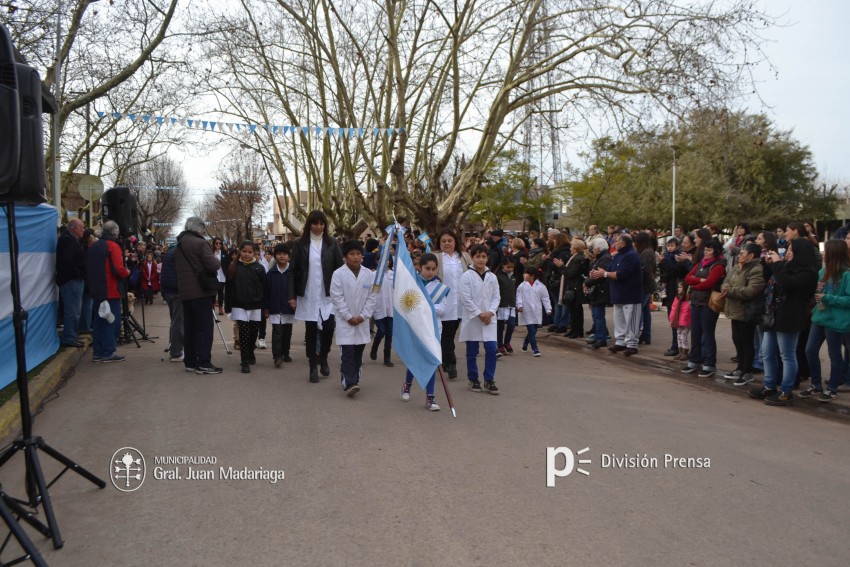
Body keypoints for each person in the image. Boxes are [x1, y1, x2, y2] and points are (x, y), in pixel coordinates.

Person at [748, 238, 819, 406]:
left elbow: (787, 283)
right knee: (767, 352)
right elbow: (772, 282)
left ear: (801, 252)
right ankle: (769, 386)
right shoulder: (785, 266)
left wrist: (778, 264)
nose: (788, 252)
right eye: (788, 249)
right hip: (774, 315)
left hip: (790, 317)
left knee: (787, 355)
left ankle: (786, 391)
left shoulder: (808, 272)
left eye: (792, 249)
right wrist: (768, 265)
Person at [291, 210, 344, 383]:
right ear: (309, 224)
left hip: (328, 295)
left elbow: (339, 269)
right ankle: (312, 365)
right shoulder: (299, 243)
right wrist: (292, 295)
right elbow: (293, 270)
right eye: (315, 223)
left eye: (321, 223)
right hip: (308, 294)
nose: (318, 227)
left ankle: (324, 357)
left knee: (329, 329)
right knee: (311, 331)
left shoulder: (332, 243)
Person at [801, 239, 850, 402]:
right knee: (810, 350)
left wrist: (827, 298)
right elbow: (818, 292)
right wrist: (816, 294)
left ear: (833, 253)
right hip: (819, 317)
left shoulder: (847, 274)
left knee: (834, 354)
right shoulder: (823, 271)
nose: (823, 254)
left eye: (826, 251)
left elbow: (848, 299)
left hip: (836, 321)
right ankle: (816, 385)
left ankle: (832, 388)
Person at [175, 217, 222, 375]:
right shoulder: (200, 243)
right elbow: (213, 265)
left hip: (185, 293)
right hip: (201, 291)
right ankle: (204, 363)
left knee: (190, 328)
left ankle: (190, 362)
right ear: (199, 228)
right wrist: (215, 259)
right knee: (204, 328)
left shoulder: (179, 244)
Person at [330, 240, 378, 397]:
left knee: (358, 353)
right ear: (345, 257)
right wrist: (348, 316)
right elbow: (336, 297)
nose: (356, 257)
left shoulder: (369, 274)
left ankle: (354, 379)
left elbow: (373, 296)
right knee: (347, 353)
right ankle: (350, 383)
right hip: (345, 321)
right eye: (351, 254)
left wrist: (363, 316)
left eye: (358, 254)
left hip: (362, 321)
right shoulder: (338, 274)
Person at [400, 253, 443, 410]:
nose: (430, 272)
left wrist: (426, 308)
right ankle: (407, 384)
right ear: (420, 267)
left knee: (431, 362)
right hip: (415, 328)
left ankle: (430, 398)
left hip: (433, 330)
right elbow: (407, 304)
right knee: (415, 359)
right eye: (427, 268)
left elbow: (442, 309)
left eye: (433, 269)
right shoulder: (412, 283)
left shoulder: (439, 287)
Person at [720, 243, 765, 386]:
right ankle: (740, 368)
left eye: (742, 253)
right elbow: (725, 282)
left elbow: (751, 291)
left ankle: (747, 371)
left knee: (747, 342)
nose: (739, 255)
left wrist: (730, 291)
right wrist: (727, 288)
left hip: (747, 311)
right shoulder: (736, 267)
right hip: (734, 309)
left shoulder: (756, 270)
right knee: (737, 339)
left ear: (751, 256)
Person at [590, 234, 642, 356]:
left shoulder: (631, 255)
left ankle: (632, 344)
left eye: (616, 241)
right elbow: (609, 269)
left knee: (631, 321)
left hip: (630, 295)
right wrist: (599, 273)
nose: (614, 244)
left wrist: (604, 274)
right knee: (619, 320)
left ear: (623, 243)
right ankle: (620, 341)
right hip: (618, 294)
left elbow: (621, 274)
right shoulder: (618, 256)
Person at [85, 220, 130, 363]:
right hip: (110, 289)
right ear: (115, 232)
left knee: (98, 321)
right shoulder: (113, 246)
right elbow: (118, 269)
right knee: (111, 321)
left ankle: (97, 352)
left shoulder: (94, 246)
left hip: (96, 289)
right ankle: (108, 352)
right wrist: (127, 272)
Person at [682, 240, 726, 378]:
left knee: (707, 334)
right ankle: (694, 360)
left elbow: (709, 283)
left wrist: (695, 284)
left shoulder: (718, 265)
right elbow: (687, 278)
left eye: (709, 250)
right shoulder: (701, 262)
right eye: (705, 250)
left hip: (708, 304)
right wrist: (698, 280)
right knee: (695, 333)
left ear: (716, 251)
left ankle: (709, 363)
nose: (705, 252)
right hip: (696, 301)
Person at [460, 244, 501, 394]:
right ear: (472, 257)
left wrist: (490, 312)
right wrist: (479, 313)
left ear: (487, 258)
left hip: (489, 318)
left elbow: (496, 297)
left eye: (484, 256)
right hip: (473, 318)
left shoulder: (492, 277)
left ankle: (489, 379)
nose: (481, 260)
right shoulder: (466, 276)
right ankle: (473, 379)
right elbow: (465, 298)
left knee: (491, 349)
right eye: (478, 256)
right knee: (472, 351)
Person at [226, 241, 268, 374]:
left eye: (250, 252)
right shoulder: (233, 267)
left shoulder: (259, 268)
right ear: (240, 251)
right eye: (244, 251)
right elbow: (228, 288)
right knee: (243, 333)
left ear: (255, 253)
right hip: (239, 305)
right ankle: (244, 361)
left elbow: (265, 288)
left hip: (255, 305)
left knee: (253, 333)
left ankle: (250, 352)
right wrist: (228, 306)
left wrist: (265, 307)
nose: (247, 254)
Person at [435, 229, 471, 379]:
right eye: (443, 241)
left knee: (450, 332)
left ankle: (445, 360)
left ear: (455, 241)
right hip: (444, 301)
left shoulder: (464, 257)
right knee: (446, 333)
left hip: (461, 301)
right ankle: (451, 363)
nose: (447, 243)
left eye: (450, 240)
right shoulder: (436, 257)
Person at [56, 218, 87, 347]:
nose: (84, 230)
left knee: (75, 310)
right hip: (71, 280)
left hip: (73, 279)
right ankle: (69, 337)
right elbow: (67, 260)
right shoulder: (68, 239)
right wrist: (78, 274)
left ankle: (72, 335)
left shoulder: (70, 238)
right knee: (73, 311)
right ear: (74, 228)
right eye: (82, 228)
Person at [266, 243, 296, 367]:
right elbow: (267, 292)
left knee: (287, 332)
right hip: (275, 307)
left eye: (284, 254)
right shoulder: (271, 273)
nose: (282, 256)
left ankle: (285, 353)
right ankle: (277, 356)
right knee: (277, 332)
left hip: (289, 307)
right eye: (279, 254)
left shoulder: (292, 272)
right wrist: (266, 308)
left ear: (289, 256)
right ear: (275, 256)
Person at [516, 266, 552, 356]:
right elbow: (518, 296)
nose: (524, 275)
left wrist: (548, 308)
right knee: (531, 330)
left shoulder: (541, 286)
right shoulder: (522, 286)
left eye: (526, 273)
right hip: (526, 311)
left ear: (532, 276)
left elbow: (545, 298)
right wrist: (519, 305)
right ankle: (535, 349)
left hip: (536, 311)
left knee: (534, 330)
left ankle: (525, 343)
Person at [584, 238, 612, 349]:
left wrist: (587, 282)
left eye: (594, 248)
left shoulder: (605, 259)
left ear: (599, 249)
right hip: (598, 290)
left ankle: (601, 338)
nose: (592, 250)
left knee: (598, 315)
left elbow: (598, 276)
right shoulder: (601, 258)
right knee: (596, 315)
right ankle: (598, 335)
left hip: (601, 290)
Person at [159, 247, 184, 362]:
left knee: (175, 321)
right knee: (178, 322)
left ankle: (175, 348)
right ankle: (176, 352)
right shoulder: (179, 253)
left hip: (169, 291)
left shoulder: (169, 252)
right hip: (177, 291)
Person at [370, 255, 394, 367]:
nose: (385, 262)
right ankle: (374, 348)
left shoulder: (393, 274)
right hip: (379, 307)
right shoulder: (374, 275)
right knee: (381, 331)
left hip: (391, 309)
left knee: (389, 333)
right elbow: (371, 291)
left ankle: (387, 357)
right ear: (377, 261)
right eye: (381, 259)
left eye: (387, 260)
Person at [635, 232, 658, 345]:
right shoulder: (649, 251)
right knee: (645, 311)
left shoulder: (646, 253)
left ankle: (640, 334)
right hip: (648, 285)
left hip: (645, 286)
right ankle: (646, 335)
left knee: (639, 311)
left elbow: (644, 270)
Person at [495, 257, 519, 356]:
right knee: (500, 326)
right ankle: (499, 345)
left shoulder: (514, 276)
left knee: (511, 325)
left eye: (512, 267)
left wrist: (518, 303)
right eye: (508, 267)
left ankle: (507, 342)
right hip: (501, 305)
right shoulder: (498, 276)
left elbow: (516, 290)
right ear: (503, 266)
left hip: (511, 304)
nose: (510, 269)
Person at [669, 282, 691, 361]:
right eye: (678, 287)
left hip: (686, 322)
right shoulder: (677, 298)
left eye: (680, 287)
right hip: (678, 321)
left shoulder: (688, 299)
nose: (678, 289)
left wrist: (686, 320)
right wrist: (671, 319)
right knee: (678, 336)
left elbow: (688, 311)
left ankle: (685, 352)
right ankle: (680, 352)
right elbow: (673, 309)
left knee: (683, 337)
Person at [212, 237, 227, 315]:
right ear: (214, 244)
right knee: (213, 292)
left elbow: (227, 263)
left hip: (222, 275)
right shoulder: (211, 252)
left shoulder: (224, 253)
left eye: (220, 243)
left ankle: (221, 308)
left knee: (220, 292)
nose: (218, 244)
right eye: (216, 243)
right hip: (214, 275)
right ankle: (212, 308)